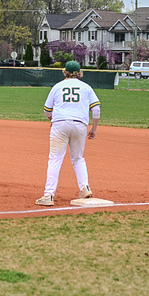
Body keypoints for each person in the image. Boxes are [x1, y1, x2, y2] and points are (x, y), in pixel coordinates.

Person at [35, 61, 101, 206]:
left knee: (55, 159)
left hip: (60, 124)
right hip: (80, 125)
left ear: (64, 72)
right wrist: (94, 129)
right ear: (80, 73)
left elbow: (47, 110)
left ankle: (48, 195)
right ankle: (85, 188)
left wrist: (52, 120)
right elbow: (96, 110)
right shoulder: (86, 87)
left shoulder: (57, 86)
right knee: (78, 158)